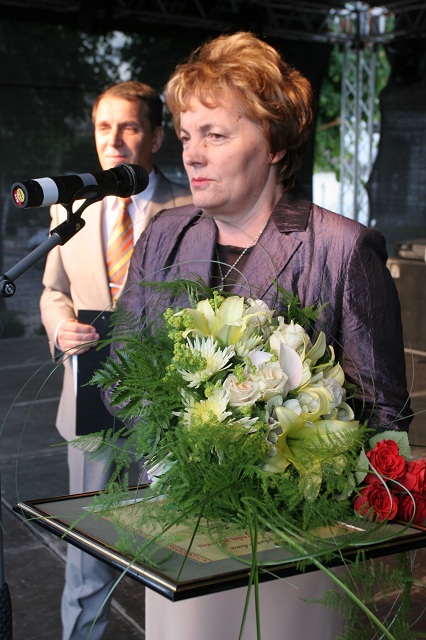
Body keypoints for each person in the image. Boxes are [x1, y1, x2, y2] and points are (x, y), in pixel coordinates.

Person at [105, 34, 412, 639]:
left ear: (273, 143)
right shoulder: (164, 235)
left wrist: (275, 455)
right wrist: (190, 446)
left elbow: (385, 419)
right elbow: (122, 377)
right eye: (186, 136)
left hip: (295, 551)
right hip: (178, 527)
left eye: (215, 135)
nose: (193, 155)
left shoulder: (342, 249)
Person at [40, 80, 192, 640]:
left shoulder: (192, 206)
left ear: (156, 136)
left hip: (167, 408)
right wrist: (60, 327)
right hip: (89, 403)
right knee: (86, 554)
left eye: (129, 126)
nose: (115, 139)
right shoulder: (69, 205)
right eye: (105, 126)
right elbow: (52, 289)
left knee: (171, 552)